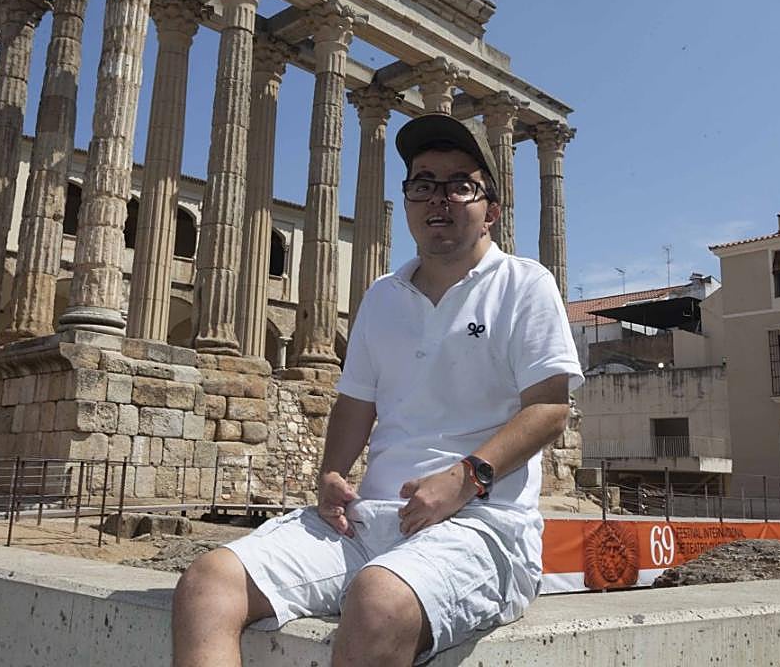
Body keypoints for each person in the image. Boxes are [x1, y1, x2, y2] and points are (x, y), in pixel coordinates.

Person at [172, 113, 584, 667]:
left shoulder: (524, 284)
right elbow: (356, 402)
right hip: (369, 524)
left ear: (491, 210)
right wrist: (331, 475)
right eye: (423, 184)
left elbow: (550, 407)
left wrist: (465, 479)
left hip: (482, 526)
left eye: (460, 185)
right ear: (408, 201)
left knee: (379, 599)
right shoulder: (383, 296)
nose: (438, 198)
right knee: (207, 581)